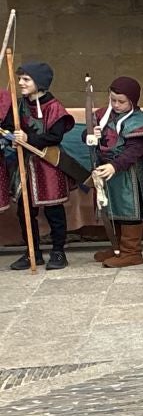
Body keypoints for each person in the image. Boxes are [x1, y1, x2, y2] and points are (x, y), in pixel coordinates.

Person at [2, 61, 74, 270]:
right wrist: (11, 137)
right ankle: (32, 252)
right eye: (20, 79)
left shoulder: (54, 107)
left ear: (39, 82)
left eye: (26, 79)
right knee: (25, 210)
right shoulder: (19, 105)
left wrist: (27, 138)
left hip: (48, 164)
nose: (20, 83)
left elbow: (55, 136)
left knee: (53, 210)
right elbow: (7, 127)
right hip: (25, 164)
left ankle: (58, 251)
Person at [86, 75, 143, 268]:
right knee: (110, 208)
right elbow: (88, 135)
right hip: (105, 170)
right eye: (112, 100)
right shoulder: (103, 115)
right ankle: (118, 248)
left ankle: (132, 252)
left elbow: (135, 150)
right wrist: (91, 134)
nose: (116, 104)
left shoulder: (138, 120)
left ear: (132, 100)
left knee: (128, 209)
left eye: (121, 101)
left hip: (127, 172)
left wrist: (115, 166)